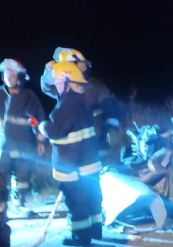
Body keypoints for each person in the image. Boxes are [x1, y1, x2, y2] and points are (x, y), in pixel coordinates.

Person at [36, 61, 103, 246]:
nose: (55, 85)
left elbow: (54, 131)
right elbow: (49, 89)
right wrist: (48, 71)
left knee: (77, 205)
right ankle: (96, 232)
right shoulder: (82, 100)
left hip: (73, 169)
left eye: (58, 81)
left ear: (67, 82)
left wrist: (41, 125)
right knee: (93, 202)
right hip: (90, 165)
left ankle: (81, 239)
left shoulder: (67, 106)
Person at [40, 47, 123, 167]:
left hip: (96, 134)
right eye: (78, 64)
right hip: (72, 140)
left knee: (98, 167)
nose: (84, 66)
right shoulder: (64, 85)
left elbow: (110, 105)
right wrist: (48, 72)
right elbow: (47, 87)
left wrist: (112, 129)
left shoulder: (94, 85)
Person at [0, 59, 46, 214]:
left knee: (23, 177)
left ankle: (21, 202)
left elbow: (38, 120)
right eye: (6, 75)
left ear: (20, 77)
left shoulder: (29, 97)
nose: (9, 78)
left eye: (12, 75)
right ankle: (2, 206)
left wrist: (40, 141)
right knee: (1, 176)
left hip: (24, 144)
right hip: (3, 145)